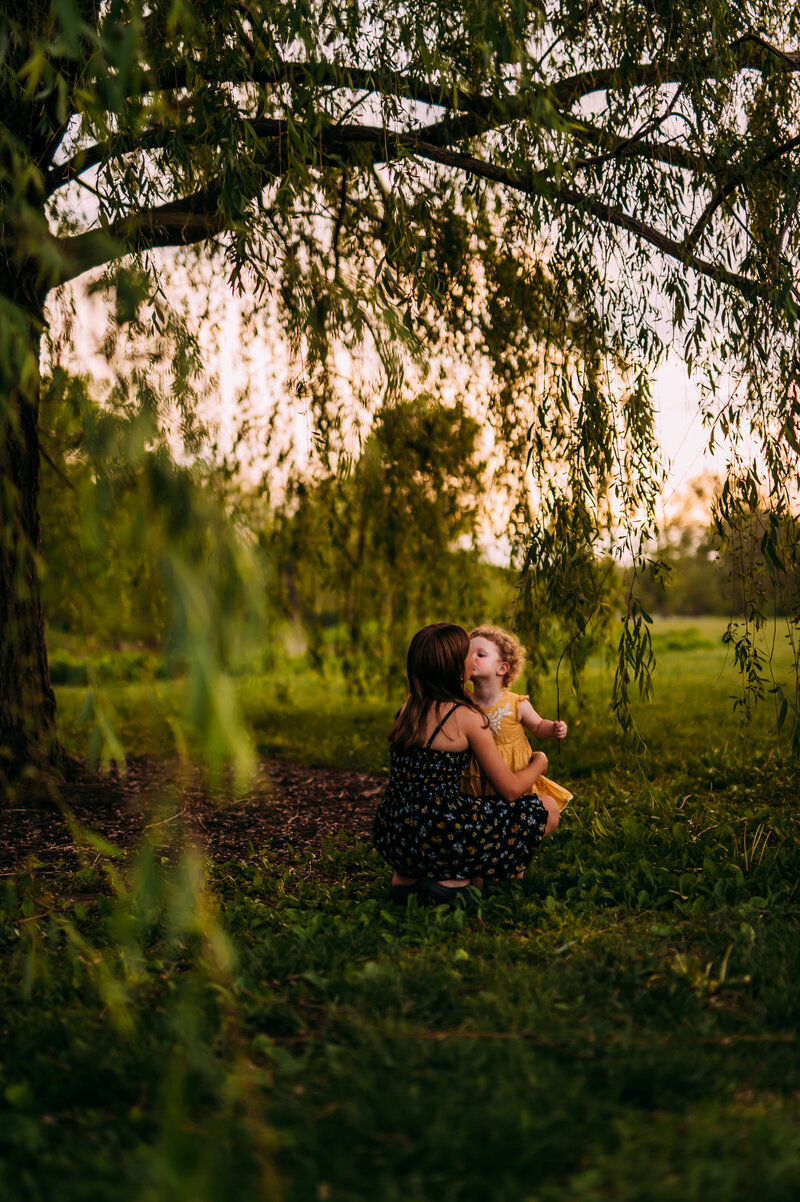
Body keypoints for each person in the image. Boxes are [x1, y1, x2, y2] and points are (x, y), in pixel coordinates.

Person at [372, 623, 560, 906]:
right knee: (548, 808)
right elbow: (509, 791)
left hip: (392, 830)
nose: (473, 658)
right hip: (442, 830)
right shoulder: (466, 717)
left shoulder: (406, 710)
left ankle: (406, 878)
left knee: (431, 816)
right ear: (455, 669)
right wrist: (539, 763)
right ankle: (452, 880)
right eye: (467, 654)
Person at [463, 625, 572, 811]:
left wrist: (553, 728)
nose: (471, 658)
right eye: (468, 654)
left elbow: (537, 726)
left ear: (502, 668)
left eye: (480, 655)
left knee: (516, 806)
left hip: (514, 773)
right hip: (479, 774)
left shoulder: (516, 704)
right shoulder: (465, 701)